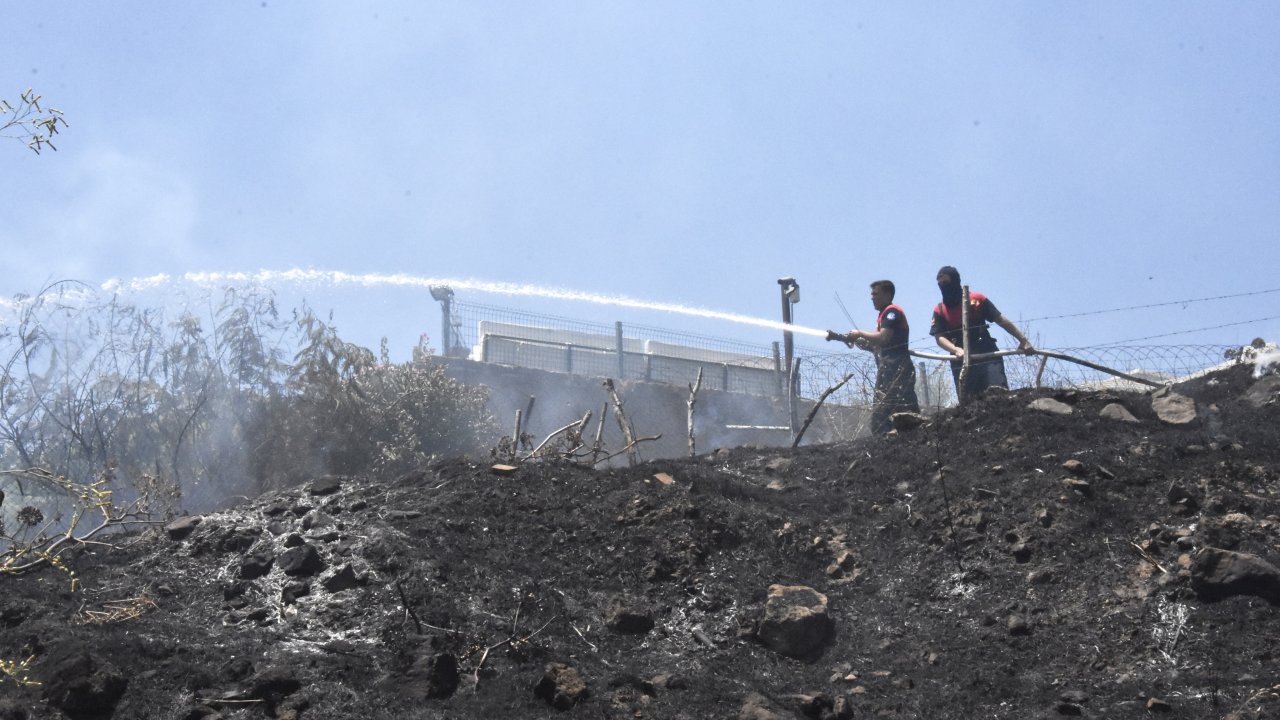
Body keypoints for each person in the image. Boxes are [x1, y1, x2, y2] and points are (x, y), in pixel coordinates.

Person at [929, 266, 1034, 401]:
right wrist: (955, 349)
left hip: (986, 352)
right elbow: (939, 337)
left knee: (998, 394)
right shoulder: (940, 310)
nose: (943, 286)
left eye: (946, 282)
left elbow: (1000, 319)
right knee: (969, 404)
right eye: (940, 284)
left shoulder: (976, 299)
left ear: (955, 280)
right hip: (961, 359)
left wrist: (1023, 340)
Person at [841, 280, 920, 434]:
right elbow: (881, 345)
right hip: (887, 371)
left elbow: (883, 338)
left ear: (887, 294)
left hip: (898, 369)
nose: (872, 298)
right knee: (883, 414)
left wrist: (860, 333)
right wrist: (865, 343)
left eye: (876, 294)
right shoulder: (882, 316)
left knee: (903, 410)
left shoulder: (892, 312)